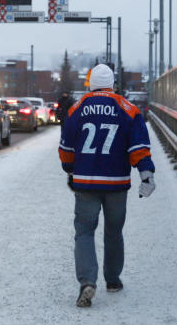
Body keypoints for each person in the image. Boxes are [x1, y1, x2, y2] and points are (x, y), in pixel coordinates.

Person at [58, 63, 156, 308]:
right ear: (113, 84)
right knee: (114, 232)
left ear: (90, 84)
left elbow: (66, 149)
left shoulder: (77, 109)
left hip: (85, 182)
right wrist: (146, 174)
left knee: (84, 232)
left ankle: (87, 282)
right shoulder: (128, 109)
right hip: (117, 184)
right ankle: (112, 280)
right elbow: (138, 147)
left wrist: (70, 169)